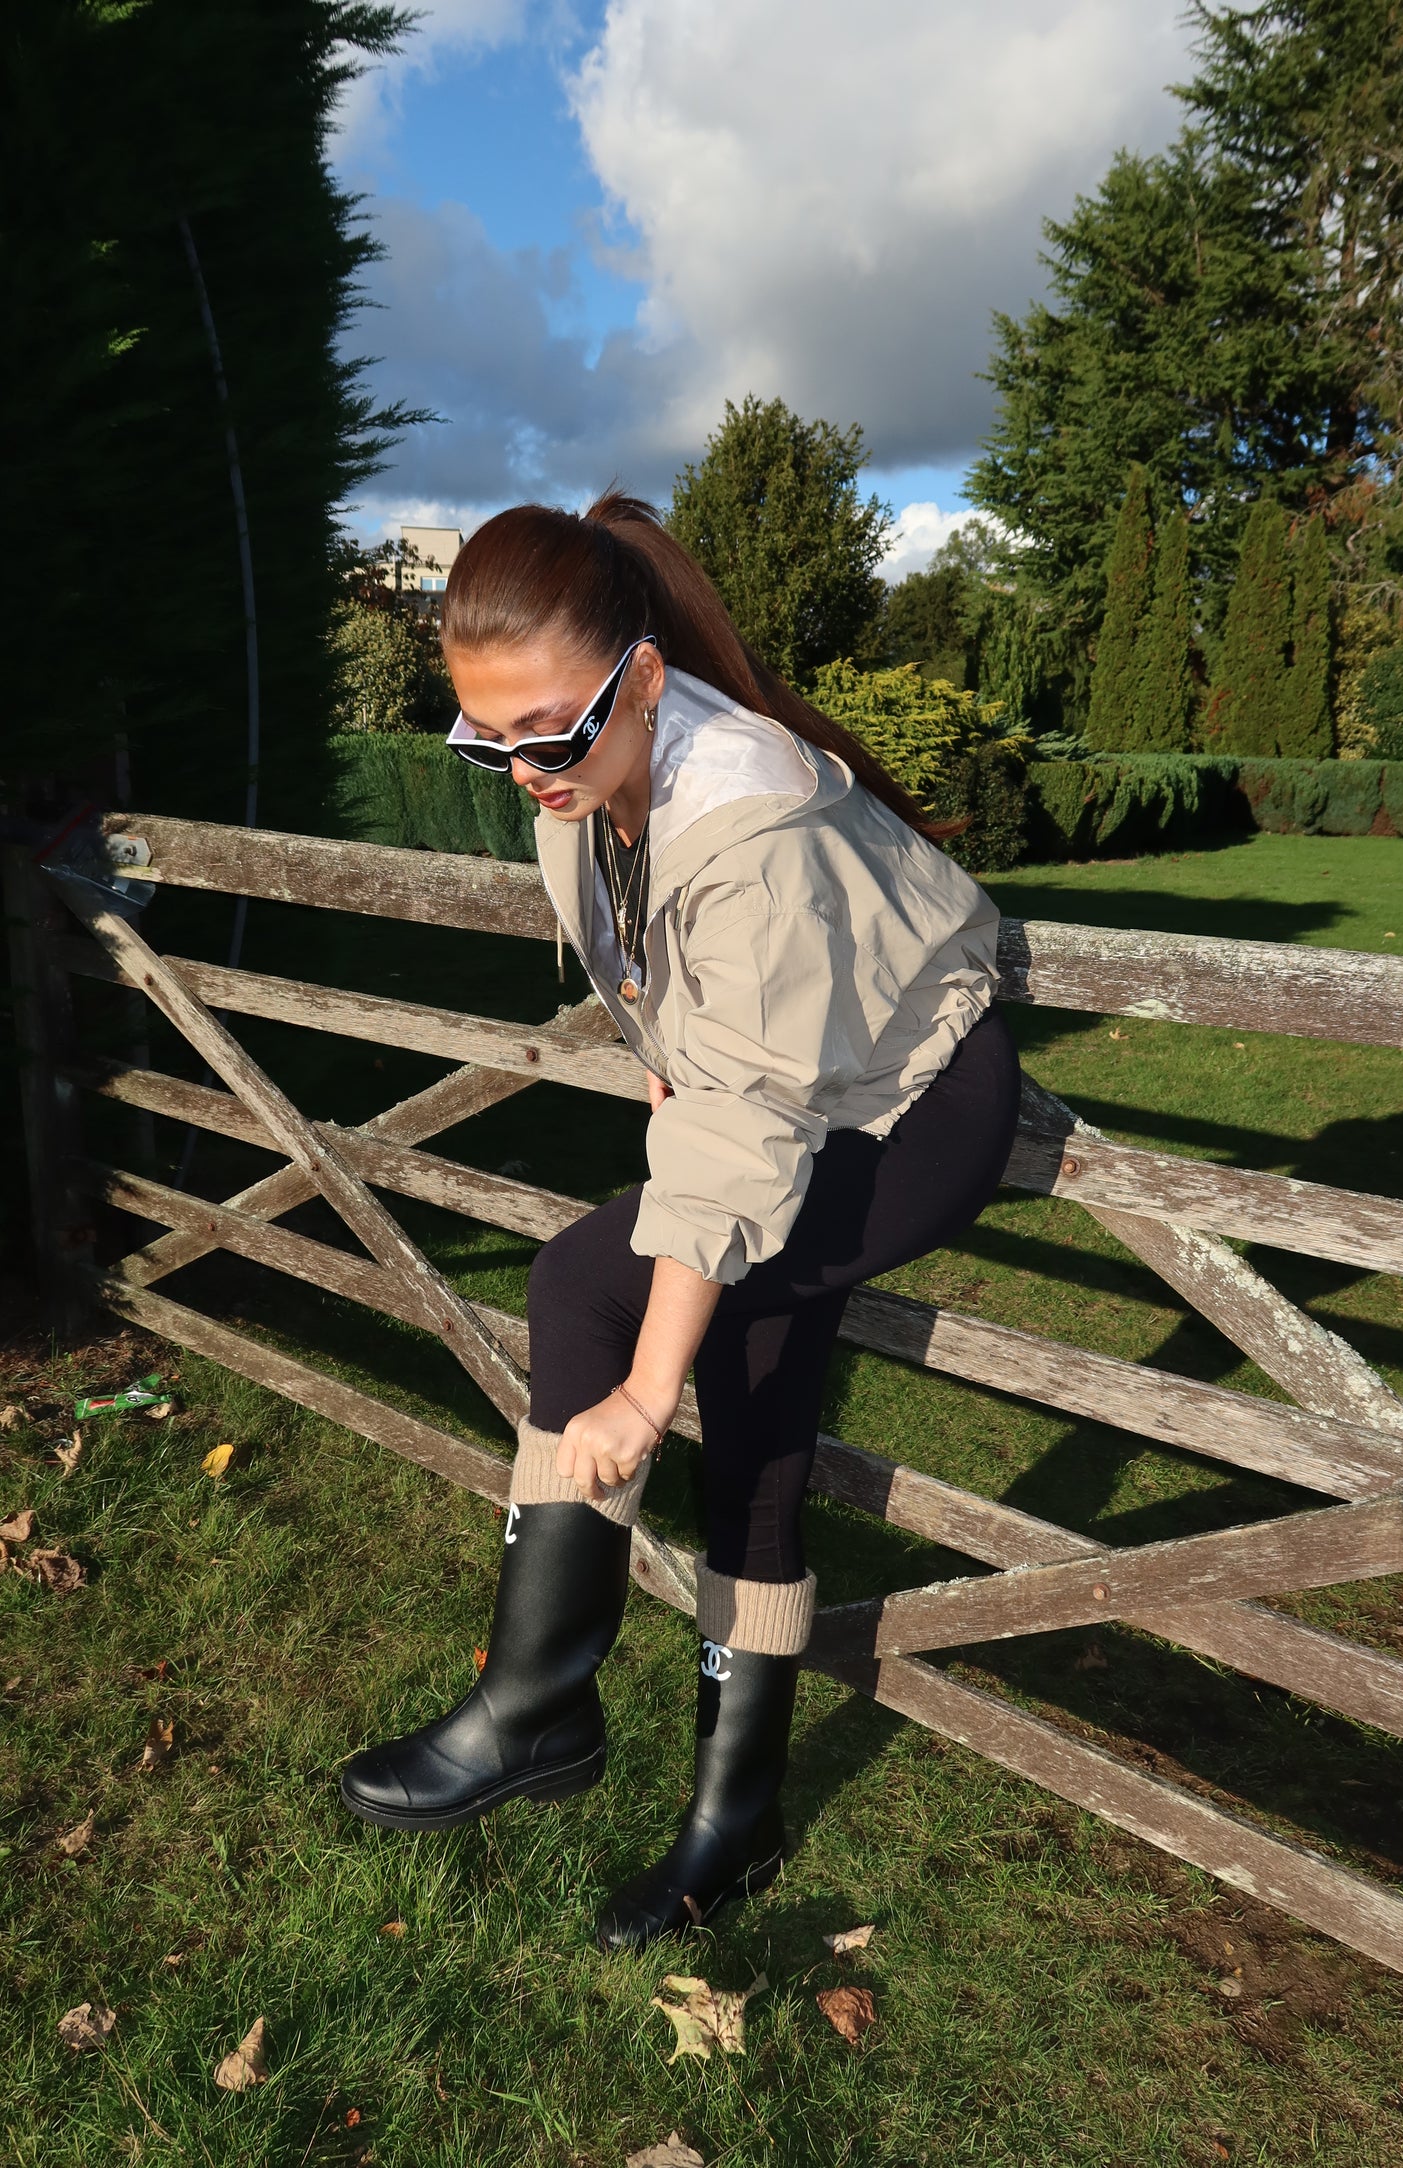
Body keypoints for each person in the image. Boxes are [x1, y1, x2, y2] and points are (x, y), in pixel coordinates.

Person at [339, 493, 1021, 1951]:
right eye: (485, 740)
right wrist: (665, 1031)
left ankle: (536, 1705)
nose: (524, 770)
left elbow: (748, 1131)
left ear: (641, 680)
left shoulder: (751, 813)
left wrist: (642, 1395)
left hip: (910, 1103)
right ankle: (731, 1811)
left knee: (597, 1285)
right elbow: (662, 977)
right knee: (755, 1388)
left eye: (551, 732)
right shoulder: (602, 771)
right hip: (797, 1079)